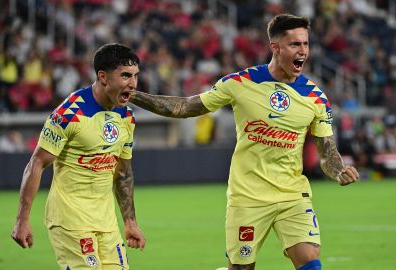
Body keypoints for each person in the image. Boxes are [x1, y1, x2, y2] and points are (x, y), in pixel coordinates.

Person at [129, 14, 358, 270]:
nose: (302, 51)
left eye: (305, 44)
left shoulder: (316, 97)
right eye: (295, 44)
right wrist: (135, 95)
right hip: (247, 197)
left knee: (309, 259)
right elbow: (184, 107)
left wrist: (338, 171)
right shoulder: (240, 83)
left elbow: (327, 152)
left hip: (293, 195)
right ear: (275, 47)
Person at [11, 43, 146, 269]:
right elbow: (35, 164)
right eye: (125, 75)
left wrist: (130, 222)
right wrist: (22, 220)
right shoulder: (70, 113)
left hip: (106, 223)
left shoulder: (127, 116)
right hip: (69, 220)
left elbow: (122, 173)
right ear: (103, 76)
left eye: (135, 76)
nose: (132, 84)